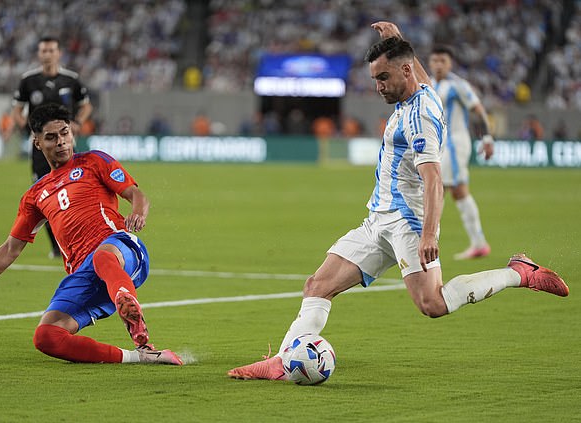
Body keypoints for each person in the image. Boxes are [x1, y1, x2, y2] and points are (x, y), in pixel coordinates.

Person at [227, 22, 568, 382]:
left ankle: (517, 272)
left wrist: (429, 235)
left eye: (383, 78)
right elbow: (417, 72)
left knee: (433, 304)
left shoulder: (420, 117)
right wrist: (395, 37)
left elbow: (434, 179)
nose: (378, 87)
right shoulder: (419, 91)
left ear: (404, 71)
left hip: (407, 222)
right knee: (317, 285)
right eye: (375, 78)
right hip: (378, 220)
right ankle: (282, 362)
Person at [0, 104, 182, 366]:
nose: (61, 142)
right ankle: (139, 357)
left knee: (103, 257)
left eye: (65, 133)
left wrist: (138, 212)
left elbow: (135, 194)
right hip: (83, 274)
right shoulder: (35, 196)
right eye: (51, 137)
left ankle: (130, 311)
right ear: (37, 143)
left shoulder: (95, 161)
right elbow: (11, 248)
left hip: (120, 249)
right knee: (46, 336)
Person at [12, 36, 93, 259]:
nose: (47, 54)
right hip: (40, 147)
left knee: (72, 190)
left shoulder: (71, 80)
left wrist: (77, 123)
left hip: (67, 144)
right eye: (44, 51)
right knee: (43, 192)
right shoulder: (28, 81)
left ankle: (77, 239)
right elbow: (17, 110)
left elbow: (86, 105)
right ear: (39, 54)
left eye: (51, 50)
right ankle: (57, 246)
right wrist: (27, 128)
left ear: (59, 53)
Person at [428, 45, 495, 260]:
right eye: (435, 60)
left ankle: (427, 241)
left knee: (438, 188)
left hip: (455, 144)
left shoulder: (458, 86)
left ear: (450, 63)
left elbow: (478, 110)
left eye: (443, 61)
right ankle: (479, 244)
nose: (438, 65)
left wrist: (486, 138)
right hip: (440, 144)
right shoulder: (428, 82)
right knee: (458, 191)